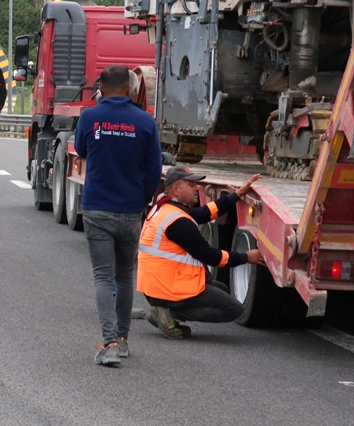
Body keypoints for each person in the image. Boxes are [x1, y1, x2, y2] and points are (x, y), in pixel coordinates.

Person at [74, 65, 163, 366]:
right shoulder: (145, 121)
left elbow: (80, 149)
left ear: (100, 87)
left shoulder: (89, 117)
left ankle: (109, 341)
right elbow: (154, 169)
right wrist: (144, 200)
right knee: (125, 275)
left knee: (103, 275)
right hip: (130, 209)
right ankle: (123, 340)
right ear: (129, 89)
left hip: (97, 206)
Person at [139, 165, 265, 337]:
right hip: (167, 287)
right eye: (191, 185)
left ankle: (167, 310)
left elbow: (205, 213)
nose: (196, 189)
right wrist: (247, 257)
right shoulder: (178, 222)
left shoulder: (164, 208)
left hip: (159, 283)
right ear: (176, 189)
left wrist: (237, 195)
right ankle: (168, 313)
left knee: (221, 288)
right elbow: (211, 256)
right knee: (234, 309)